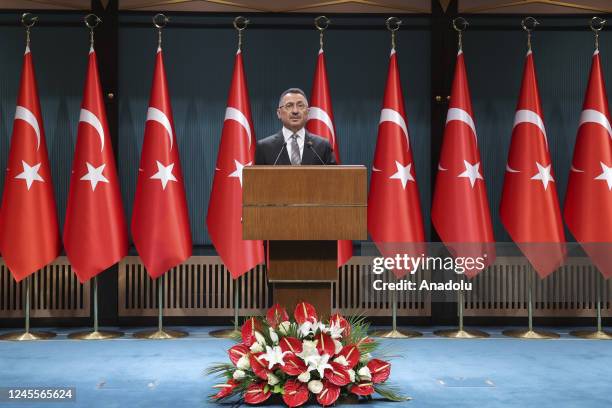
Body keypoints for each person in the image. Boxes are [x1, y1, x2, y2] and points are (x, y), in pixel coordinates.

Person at [255, 88, 337, 165]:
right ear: (279, 113)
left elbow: (334, 178)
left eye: (300, 105)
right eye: (289, 105)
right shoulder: (264, 147)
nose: (295, 111)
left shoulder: (322, 146)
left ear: (308, 112)